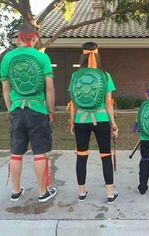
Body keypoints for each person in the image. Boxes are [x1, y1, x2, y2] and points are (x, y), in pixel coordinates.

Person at [0, 23, 57, 202]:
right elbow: (49, 88)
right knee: (39, 152)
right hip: (37, 109)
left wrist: (10, 108)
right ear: (34, 38)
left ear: (19, 37)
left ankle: (16, 191)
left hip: (16, 109)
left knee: (16, 152)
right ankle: (42, 192)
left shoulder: (7, 58)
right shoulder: (42, 58)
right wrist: (51, 110)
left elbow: (6, 89)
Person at [68, 42, 118, 204]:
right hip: (102, 119)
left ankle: (82, 192)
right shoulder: (105, 76)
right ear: (97, 55)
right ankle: (110, 194)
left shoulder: (75, 76)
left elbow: (74, 102)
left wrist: (72, 122)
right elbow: (109, 103)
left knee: (81, 156)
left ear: (82, 56)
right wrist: (113, 124)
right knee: (105, 155)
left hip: (81, 120)